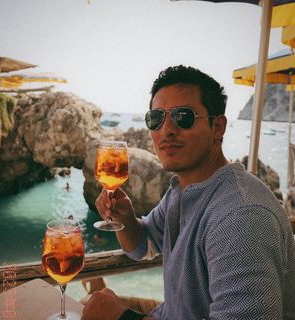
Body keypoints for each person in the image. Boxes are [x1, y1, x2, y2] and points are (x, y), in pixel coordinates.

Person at [82, 65, 295, 320]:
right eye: (156, 118)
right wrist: (126, 219)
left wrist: (121, 318)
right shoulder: (183, 191)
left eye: (183, 117)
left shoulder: (242, 217)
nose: (167, 130)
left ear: (218, 127)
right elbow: (143, 245)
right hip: (169, 312)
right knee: (90, 303)